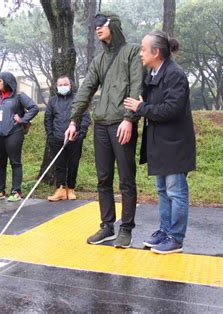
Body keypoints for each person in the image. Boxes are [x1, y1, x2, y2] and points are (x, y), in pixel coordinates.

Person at [64, 13, 146, 248]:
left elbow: (137, 84)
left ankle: (126, 229)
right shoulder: (99, 59)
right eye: (94, 26)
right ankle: (107, 226)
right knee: (103, 178)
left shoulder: (132, 51)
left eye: (102, 24)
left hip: (122, 123)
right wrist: (73, 120)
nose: (97, 28)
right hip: (101, 124)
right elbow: (86, 89)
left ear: (113, 25)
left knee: (126, 179)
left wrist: (130, 119)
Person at [124, 30, 196, 254]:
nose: (140, 54)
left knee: (176, 191)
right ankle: (165, 231)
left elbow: (172, 109)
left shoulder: (175, 74)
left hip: (175, 144)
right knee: (163, 191)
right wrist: (142, 103)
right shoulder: (154, 74)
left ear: (156, 52)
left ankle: (176, 238)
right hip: (160, 143)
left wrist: (141, 107)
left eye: (144, 50)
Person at [0, 72, 39, 202]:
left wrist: (22, 119)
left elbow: (34, 108)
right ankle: (0, 190)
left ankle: (16, 191)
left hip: (14, 133)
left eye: (0, 80)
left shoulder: (18, 96)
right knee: (0, 163)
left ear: (8, 81)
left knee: (15, 162)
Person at [44, 75, 90, 201]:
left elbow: (86, 118)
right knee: (59, 165)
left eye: (65, 84)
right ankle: (60, 189)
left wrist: (80, 134)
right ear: (56, 86)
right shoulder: (53, 101)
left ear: (70, 85)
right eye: (60, 85)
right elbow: (48, 118)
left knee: (73, 163)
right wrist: (50, 135)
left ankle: (71, 188)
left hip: (74, 139)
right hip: (57, 138)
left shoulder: (78, 99)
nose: (63, 87)